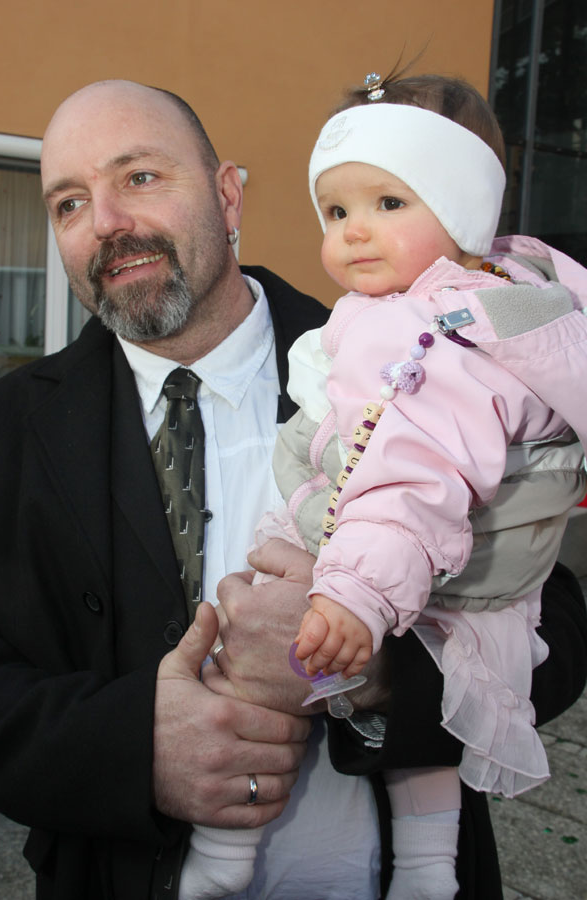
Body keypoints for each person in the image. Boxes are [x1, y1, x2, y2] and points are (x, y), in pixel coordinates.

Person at [0, 77, 585, 900]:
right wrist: (136, 748)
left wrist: (375, 671)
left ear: (229, 195)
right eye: (68, 203)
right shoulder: (8, 429)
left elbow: (559, 629)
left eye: (140, 176)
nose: (107, 221)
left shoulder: (427, 358)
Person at [189, 72, 587, 900]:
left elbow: (405, 473)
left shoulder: (433, 336)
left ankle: (223, 851)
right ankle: (428, 869)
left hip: (375, 553)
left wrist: (356, 596)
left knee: (259, 670)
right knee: (424, 715)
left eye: (390, 202)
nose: (354, 232)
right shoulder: (514, 301)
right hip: (435, 572)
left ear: (467, 210)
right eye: (336, 211)